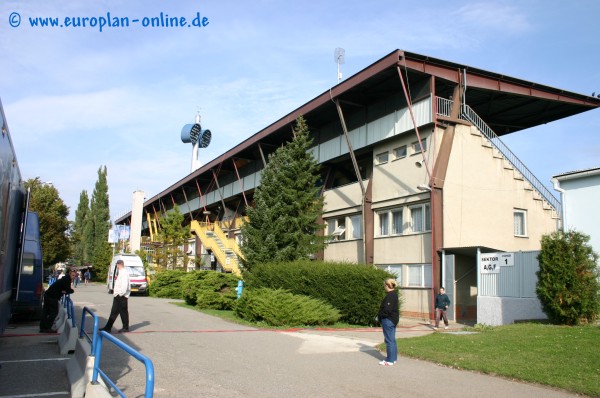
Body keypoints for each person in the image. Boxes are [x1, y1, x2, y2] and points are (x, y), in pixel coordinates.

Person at [39, 267, 76, 333]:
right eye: (73, 275)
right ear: (69, 274)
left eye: (74, 275)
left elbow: (65, 290)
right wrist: (71, 291)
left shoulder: (65, 278)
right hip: (52, 297)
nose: (73, 277)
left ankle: (42, 327)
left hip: (48, 294)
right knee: (54, 312)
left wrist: (64, 291)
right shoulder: (67, 280)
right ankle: (47, 328)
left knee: (46, 311)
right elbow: (68, 290)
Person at [100, 259, 131, 333]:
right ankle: (108, 327)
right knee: (113, 312)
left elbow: (124, 285)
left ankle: (125, 327)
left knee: (123, 312)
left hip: (121, 296)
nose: (116, 266)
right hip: (118, 295)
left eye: (117, 265)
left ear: (119, 264)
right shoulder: (121, 272)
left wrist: (120, 294)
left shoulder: (124, 273)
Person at [377, 278, 399, 366]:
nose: (384, 287)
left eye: (384, 285)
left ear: (387, 285)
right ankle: (393, 358)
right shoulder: (394, 295)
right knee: (392, 340)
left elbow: (387, 309)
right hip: (392, 320)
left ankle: (389, 360)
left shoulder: (390, 296)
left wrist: (380, 315)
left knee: (389, 340)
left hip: (388, 320)